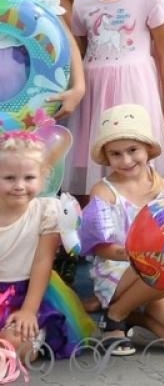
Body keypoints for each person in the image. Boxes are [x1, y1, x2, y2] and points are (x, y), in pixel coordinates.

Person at [66, 0, 164, 194]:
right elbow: (79, 52)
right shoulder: (83, 2)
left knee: (134, 156)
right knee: (100, 157)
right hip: (95, 89)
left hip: (135, 86)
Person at [79, 104, 164, 353]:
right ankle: (118, 311)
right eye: (115, 154)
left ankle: (123, 314)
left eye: (132, 150)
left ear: (148, 148)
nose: (125, 160)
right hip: (120, 273)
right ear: (107, 156)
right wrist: (133, 252)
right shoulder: (104, 191)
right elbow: (99, 246)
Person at [0, 131, 94, 364]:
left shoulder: (47, 211)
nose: (19, 186)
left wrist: (29, 310)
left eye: (29, 178)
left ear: (43, 178)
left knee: (14, 344)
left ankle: (28, 340)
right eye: (9, 178)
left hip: (28, 293)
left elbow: (43, 261)